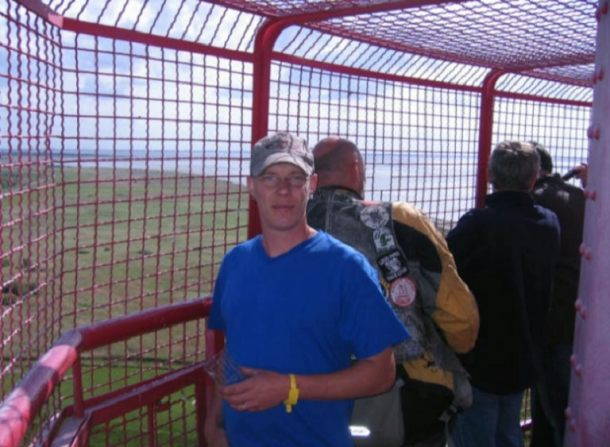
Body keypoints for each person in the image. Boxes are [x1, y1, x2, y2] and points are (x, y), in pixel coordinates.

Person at [204, 132, 410, 447]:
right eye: (270, 178)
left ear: (312, 185)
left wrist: (288, 388)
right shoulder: (235, 263)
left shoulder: (347, 269)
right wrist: (214, 423)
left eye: (295, 178)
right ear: (252, 186)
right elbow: (234, 348)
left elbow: (382, 374)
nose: (283, 189)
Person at [307, 137, 479, 447]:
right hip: (406, 399)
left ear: (311, 178)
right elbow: (460, 318)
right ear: (356, 169)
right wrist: (462, 351)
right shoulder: (402, 219)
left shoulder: (291, 224)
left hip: (306, 390)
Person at [446, 141, 560, 447]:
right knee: (509, 433)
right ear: (533, 178)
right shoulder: (549, 224)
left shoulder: (477, 225)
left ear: (490, 175)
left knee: (476, 435)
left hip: (480, 357)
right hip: (524, 354)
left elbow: (444, 267)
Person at [529, 143, 586, 447]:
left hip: (547, 320)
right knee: (560, 406)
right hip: (578, 316)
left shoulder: (533, 202)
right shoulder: (580, 197)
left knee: (552, 409)